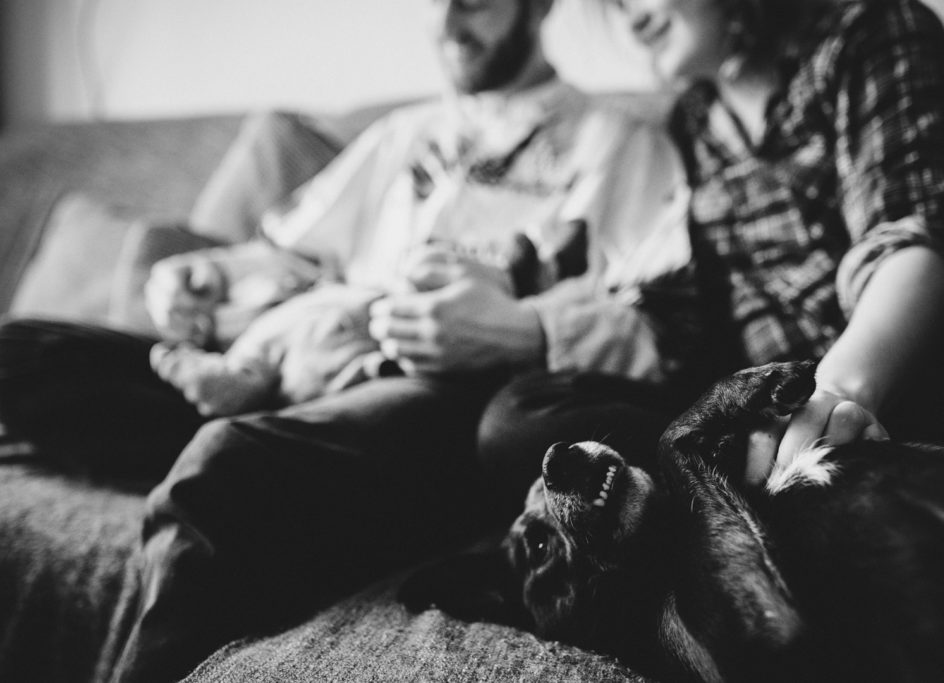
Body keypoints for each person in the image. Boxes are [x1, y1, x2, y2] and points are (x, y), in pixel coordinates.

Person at [0, 1, 699, 681]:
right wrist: (197, 278)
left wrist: (521, 329)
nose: (448, 23)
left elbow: (662, 328)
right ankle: (284, 457)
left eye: (476, 3)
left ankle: (271, 463)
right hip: (300, 358)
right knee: (22, 354)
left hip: (437, 386)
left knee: (225, 461)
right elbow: (285, 257)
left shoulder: (621, 144)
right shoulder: (403, 133)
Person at [570, 0, 944, 486]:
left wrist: (838, 393)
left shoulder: (865, 32)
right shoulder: (692, 122)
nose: (630, 17)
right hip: (772, 411)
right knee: (525, 417)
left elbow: (914, 238)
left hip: (904, 393)